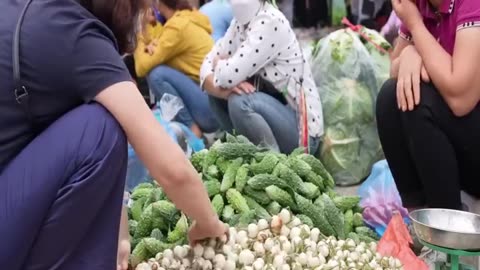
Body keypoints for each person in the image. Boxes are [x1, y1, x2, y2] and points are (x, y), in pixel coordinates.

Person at [0, 1, 227, 270]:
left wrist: (118, 236)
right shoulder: (76, 35)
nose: (145, 21)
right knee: (101, 126)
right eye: (143, 9)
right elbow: (171, 168)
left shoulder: (32, 13)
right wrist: (208, 221)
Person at [376, 0, 480, 210]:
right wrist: (410, 53)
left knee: (419, 98)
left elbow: (461, 99)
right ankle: (422, 219)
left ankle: (448, 225)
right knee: (391, 95)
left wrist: (416, 27)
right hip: (465, 143)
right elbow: (395, 69)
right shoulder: (421, 6)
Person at [200, 0, 324, 154]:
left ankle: (275, 168)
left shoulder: (270, 21)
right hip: (275, 114)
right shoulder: (239, 23)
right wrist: (222, 91)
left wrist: (219, 65)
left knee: (240, 101)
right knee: (217, 95)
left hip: (303, 134)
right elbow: (205, 67)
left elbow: (227, 75)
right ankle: (245, 154)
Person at [134, 0, 219, 139]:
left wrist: (138, 33)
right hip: (214, 102)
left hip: (211, 109)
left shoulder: (177, 27)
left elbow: (141, 67)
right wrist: (148, 27)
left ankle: (192, 133)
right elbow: (157, 40)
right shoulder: (186, 18)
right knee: (158, 70)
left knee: (157, 74)